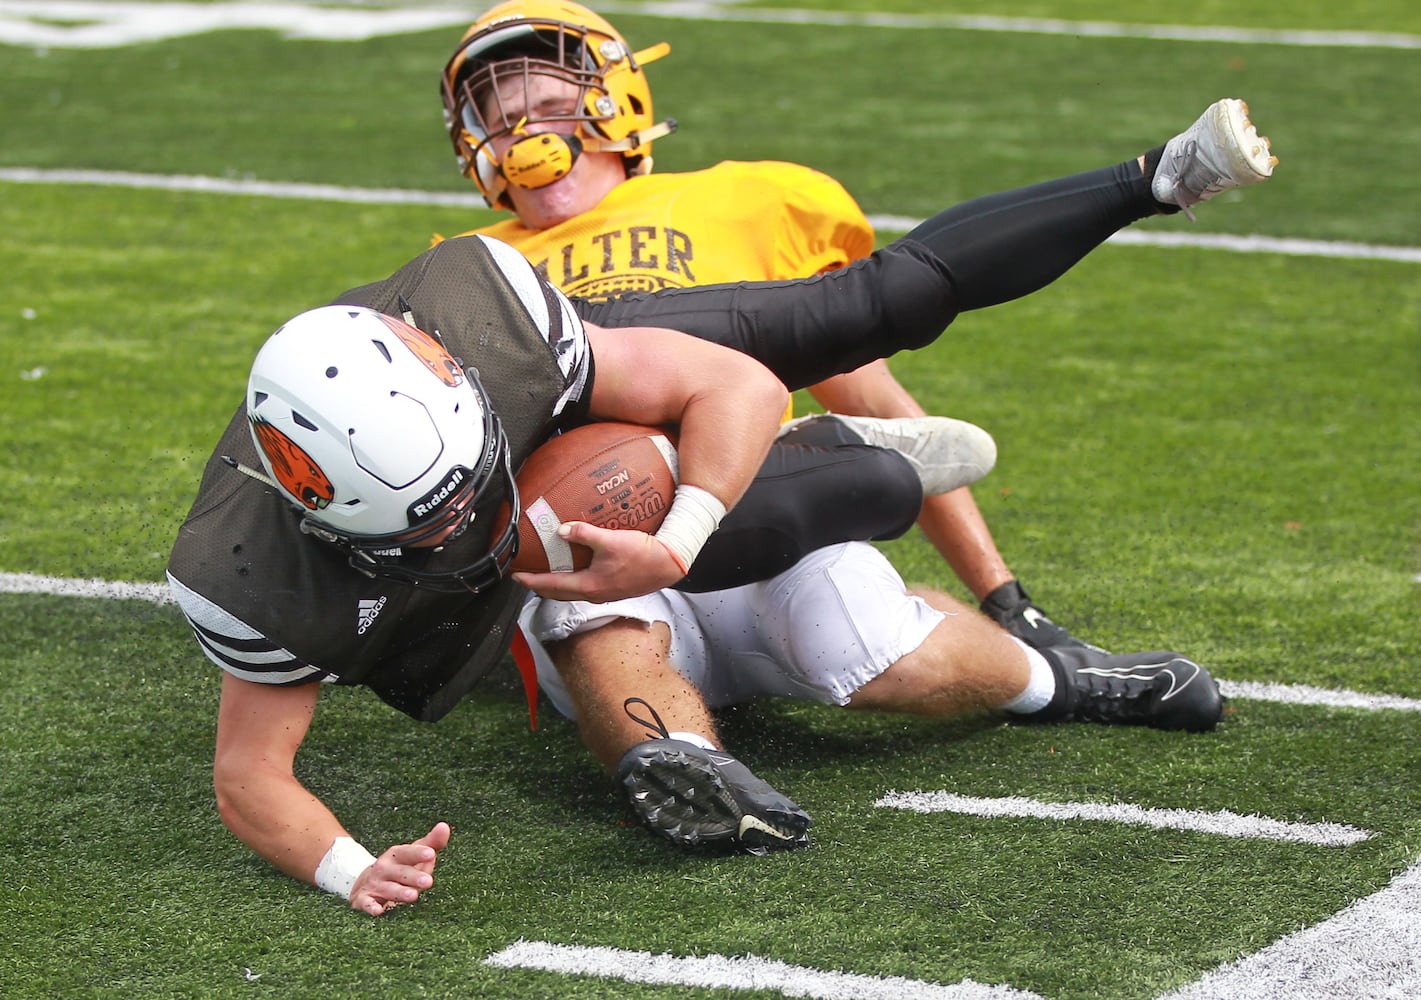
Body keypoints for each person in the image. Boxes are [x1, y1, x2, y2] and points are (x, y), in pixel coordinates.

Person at [167, 98, 1276, 913]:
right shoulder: (250, 574)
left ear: (449, 376)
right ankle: (813, 515)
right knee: (593, 598)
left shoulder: (487, 314)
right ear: (313, 513)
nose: (451, 518)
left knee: (869, 354)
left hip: (638, 399)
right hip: (566, 533)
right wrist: (353, 866)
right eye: (419, 521)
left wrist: (682, 531)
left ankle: (1149, 182)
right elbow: (249, 773)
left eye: (464, 486)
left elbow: (745, 380)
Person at [438, 0, 1178, 647]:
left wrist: (1004, 599)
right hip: (589, 522)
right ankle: (811, 455)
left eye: (548, 106)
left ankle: (814, 459)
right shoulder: (472, 264)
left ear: (611, 100)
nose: (524, 137)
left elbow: (872, 394)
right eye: (502, 123)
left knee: (878, 465)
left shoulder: (742, 197)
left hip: (730, 488)